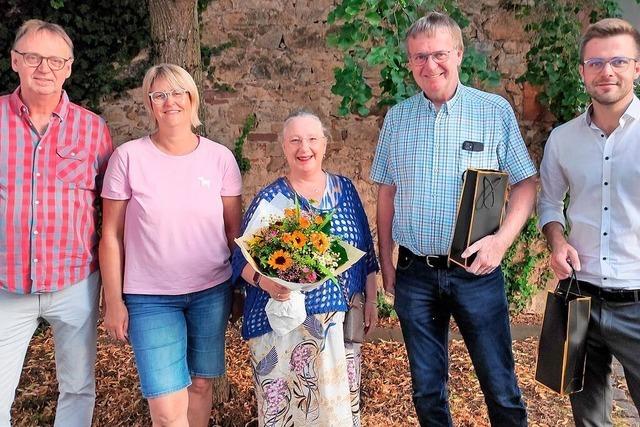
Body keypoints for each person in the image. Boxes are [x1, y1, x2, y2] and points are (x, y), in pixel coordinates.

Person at [370, 12, 538, 427]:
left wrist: (500, 243)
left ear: (459, 54)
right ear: (409, 62)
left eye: (439, 54)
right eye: (419, 57)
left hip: (475, 272)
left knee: (499, 384)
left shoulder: (492, 111)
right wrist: (386, 261)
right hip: (415, 273)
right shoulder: (397, 118)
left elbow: (526, 184)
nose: (430, 65)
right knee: (427, 389)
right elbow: (386, 192)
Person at [99, 63, 242, 427]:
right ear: (150, 103)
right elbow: (111, 236)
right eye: (159, 95)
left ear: (192, 98)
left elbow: (234, 233)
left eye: (177, 93)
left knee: (200, 386)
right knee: (165, 409)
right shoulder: (128, 158)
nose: (169, 102)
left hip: (211, 291)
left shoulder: (220, 158)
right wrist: (113, 301)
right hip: (149, 298)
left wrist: (243, 288)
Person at [231, 109, 378, 426]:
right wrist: (268, 284)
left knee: (333, 411)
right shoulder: (269, 199)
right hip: (284, 329)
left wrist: (372, 299)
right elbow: (240, 259)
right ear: (284, 147)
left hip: (337, 325)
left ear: (325, 144)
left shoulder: (345, 191)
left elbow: (365, 251)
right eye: (295, 140)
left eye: (312, 139)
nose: (304, 148)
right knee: (292, 412)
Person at [0, 19, 113, 427]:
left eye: (55, 60)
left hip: (74, 282)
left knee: (79, 386)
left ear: (68, 67)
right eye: (33, 57)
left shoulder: (94, 129)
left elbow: (109, 209)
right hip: (5, 283)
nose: (43, 68)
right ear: (15, 61)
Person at [538, 17, 640, 427]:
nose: (606, 71)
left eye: (618, 60)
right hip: (580, 297)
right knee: (589, 418)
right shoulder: (562, 139)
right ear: (582, 71)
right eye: (595, 63)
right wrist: (557, 241)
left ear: (637, 67)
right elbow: (548, 202)